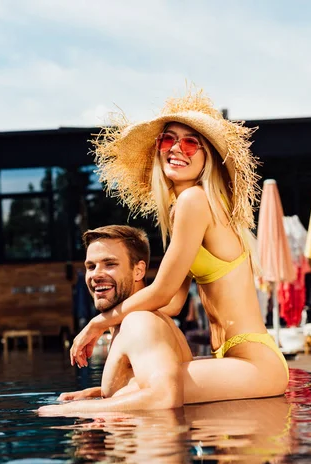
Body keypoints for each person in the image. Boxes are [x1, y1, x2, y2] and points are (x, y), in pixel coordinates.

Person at [70, 88, 289, 404]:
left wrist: (97, 323)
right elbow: (172, 303)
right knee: (136, 347)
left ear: (207, 156)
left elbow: (160, 291)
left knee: (150, 379)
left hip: (254, 363)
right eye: (167, 140)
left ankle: (62, 413)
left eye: (190, 142)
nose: (177, 148)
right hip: (235, 360)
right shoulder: (186, 209)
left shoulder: (195, 201)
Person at [38, 225, 192, 416]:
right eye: (90, 266)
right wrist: (96, 394)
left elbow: (164, 397)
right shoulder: (126, 322)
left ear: (138, 271)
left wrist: (73, 410)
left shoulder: (139, 322)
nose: (96, 274)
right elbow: (144, 383)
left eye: (110, 264)